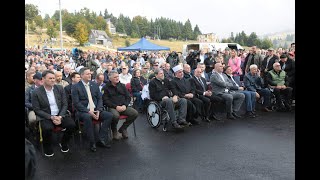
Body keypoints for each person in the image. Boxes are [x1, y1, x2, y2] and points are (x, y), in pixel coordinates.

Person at [31, 70, 76, 157]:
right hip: (46, 116)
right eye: (50, 78)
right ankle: (47, 147)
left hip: (60, 114)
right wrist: (51, 117)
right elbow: (37, 110)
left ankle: (63, 142)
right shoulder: (36, 92)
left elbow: (64, 104)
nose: (52, 80)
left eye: (53, 78)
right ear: (43, 79)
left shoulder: (59, 88)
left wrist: (60, 116)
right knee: (47, 128)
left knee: (72, 125)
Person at [72, 67, 113, 152]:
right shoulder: (76, 87)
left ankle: (100, 139)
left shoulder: (94, 84)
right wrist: (88, 111)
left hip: (95, 109)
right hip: (83, 111)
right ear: (82, 75)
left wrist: (98, 110)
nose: (90, 75)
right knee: (87, 117)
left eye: (90, 73)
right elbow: (76, 103)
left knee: (109, 115)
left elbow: (99, 98)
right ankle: (92, 142)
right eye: (87, 74)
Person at [102, 70, 139, 140]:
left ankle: (123, 128)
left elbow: (128, 96)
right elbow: (105, 100)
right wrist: (115, 107)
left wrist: (125, 105)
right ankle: (114, 130)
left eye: (117, 76)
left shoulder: (122, 85)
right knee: (115, 116)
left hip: (123, 106)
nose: (117, 78)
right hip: (113, 107)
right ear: (110, 78)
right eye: (115, 77)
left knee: (135, 113)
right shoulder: (106, 87)